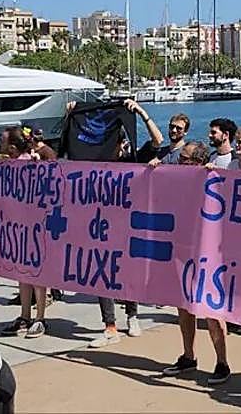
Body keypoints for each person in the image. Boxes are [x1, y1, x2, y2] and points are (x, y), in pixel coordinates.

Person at [161, 141, 232, 385]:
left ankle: (222, 362)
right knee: (184, 306)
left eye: (184, 160)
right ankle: (188, 356)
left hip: (208, 253)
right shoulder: (177, 181)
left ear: (197, 162)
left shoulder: (210, 180)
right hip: (182, 249)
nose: (179, 164)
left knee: (211, 310)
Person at [88, 128, 142, 347]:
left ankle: (132, 315)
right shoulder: (96, 163)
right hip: (101, 227)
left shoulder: (132, 161)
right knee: (102, 276)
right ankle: (110, 326)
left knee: (126, 274)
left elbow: (157, 143)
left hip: (126, 227)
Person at [0, 127, 52, 338]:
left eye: (2, 140)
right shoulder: (10, 163)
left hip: (36, 225)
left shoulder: (32, 162)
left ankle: (40, 318)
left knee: (37, 273)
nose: (0, 143)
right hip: (17, 225)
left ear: (12, 146)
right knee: (21, 273)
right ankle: (25, 315)